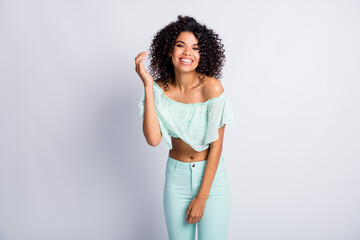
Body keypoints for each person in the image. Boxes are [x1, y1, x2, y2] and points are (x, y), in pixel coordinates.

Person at [135, 15, 235, 240]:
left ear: (202, 55)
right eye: (180, 45)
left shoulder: (212, 88)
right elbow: (153, 139)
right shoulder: (159, 89)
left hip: (211, 180)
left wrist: (202, 197)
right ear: (169, 51)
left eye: (195, 48)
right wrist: (149, 87)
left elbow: (216, 147)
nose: (187, 53)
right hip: (176, 178)